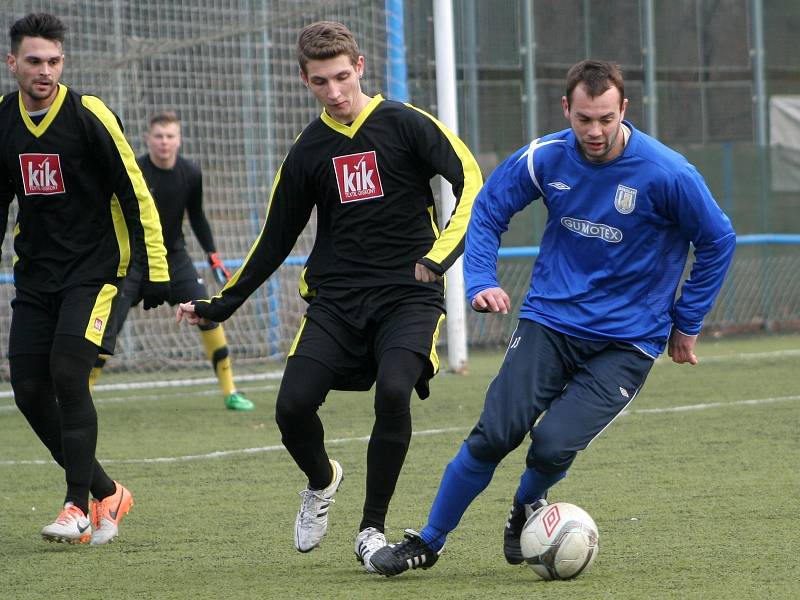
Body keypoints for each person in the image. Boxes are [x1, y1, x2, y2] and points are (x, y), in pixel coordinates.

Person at [370, 59, 736, 576]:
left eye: (606, 119)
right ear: (566, 108)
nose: (595, 131)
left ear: (624, 110)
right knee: (495, 434)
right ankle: (428, 540)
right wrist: (481, 280)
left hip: (627, 343)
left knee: (552, 443)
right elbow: (490, 207)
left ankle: (525, 507)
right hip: (550, 323)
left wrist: (688, 320)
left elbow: (718, 239)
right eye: (584, 118)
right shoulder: (546, 158)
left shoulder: (668, 174)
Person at [176, 21, 482, 571]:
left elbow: (470, 177)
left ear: (360, 67)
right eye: (321, 82)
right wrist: (220, 304)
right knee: (291, 407)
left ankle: (370, 529)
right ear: (305, 80)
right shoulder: (308, 152)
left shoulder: (405, 123)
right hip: (337, 302)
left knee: (394, 391)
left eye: (343, 77)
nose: (335, 92)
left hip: (407, 296)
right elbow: (275, 238)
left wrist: (438, 260)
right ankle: (322, 481)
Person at [0, 13, 170, 545]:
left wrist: (156, 268)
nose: (44, 71)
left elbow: (134, 189)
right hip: (36, 275)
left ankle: (76, 505)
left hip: (98, 272)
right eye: (33, 61)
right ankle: (107, 490)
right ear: (13, 63)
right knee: (28, 389)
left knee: (67, 374)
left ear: (62, 62)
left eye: (53, 61)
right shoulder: (4, 119)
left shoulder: (88, 114)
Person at [90, 111, 254, 411]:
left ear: (178, 140)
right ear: (148, 138)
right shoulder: (134, 170)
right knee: (108, 325)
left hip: (175, 258)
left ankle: (231, 391)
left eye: (170, 136)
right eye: (158, 136)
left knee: (208, 312)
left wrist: (213, 256)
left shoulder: (191, 173)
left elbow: (198, 216)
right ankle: (81, 394)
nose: (164, 142)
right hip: (135, 260)